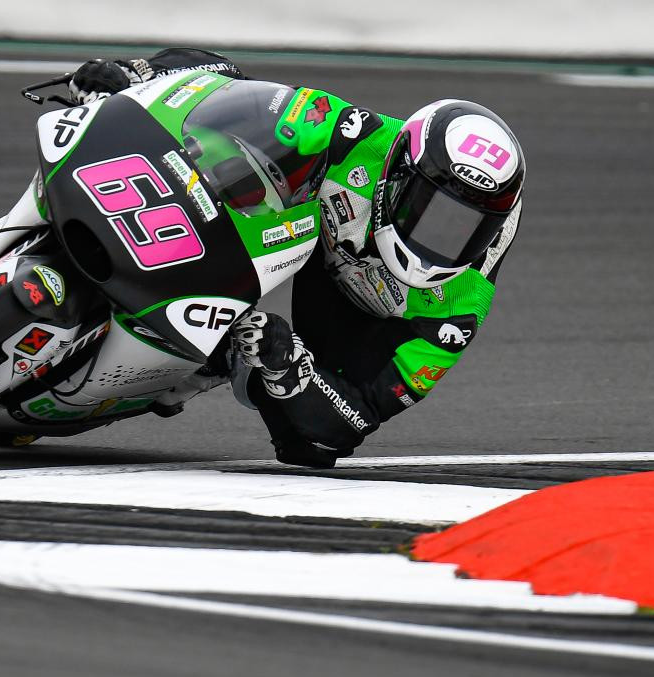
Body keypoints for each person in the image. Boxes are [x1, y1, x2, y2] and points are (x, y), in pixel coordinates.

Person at [69, 49, 525, 468]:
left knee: (312, 443)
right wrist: (140, 76)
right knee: (236, 152)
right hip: (313, 242)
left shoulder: (459, 310)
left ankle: (220, 359)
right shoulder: (354, 134)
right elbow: (233, 91)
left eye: (468, 226)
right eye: (425, 206)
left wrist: (287, 366)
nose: (434, 238)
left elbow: (362, 415)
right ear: (401, 171)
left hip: (364, 320)